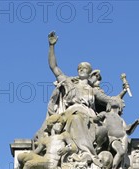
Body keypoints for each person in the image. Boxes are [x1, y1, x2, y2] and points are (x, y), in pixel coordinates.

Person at [47, 31, 118, 159]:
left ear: (89, 73)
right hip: (72, 113)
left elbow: (111, 101)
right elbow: (54, 67)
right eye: (79, 68)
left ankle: (85, 151)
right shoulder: (69, 83)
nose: (81, 69)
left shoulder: (93, 90)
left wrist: (111, 106)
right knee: (75, 118)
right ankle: (85, 151)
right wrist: (51, 46)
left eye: (84, 68)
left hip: (89, 115)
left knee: (95, 126)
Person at [5, 114, 78, 169]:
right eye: (58, 123)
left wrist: (66, 149)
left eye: (61, 124)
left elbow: (74, 147)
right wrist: (24, 158)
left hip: (51, 162)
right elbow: (35, 152)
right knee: (21, 156)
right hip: (44, 159)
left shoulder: (64, 135)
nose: (60, 125)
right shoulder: (45, 140)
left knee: (29, 164)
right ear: (52, 124)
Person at [93, 98, 139, 169]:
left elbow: (128, 130)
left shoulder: (120, 119)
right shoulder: (105, 114)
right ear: (108, 106)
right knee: (121, 152)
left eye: (115, 101)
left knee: (122, 153)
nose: (114, 101)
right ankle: (112, 168)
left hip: (120, 139)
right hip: (111, 138)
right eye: (112, 101)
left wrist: (136, 123)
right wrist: (99, 119)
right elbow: (95, 119)